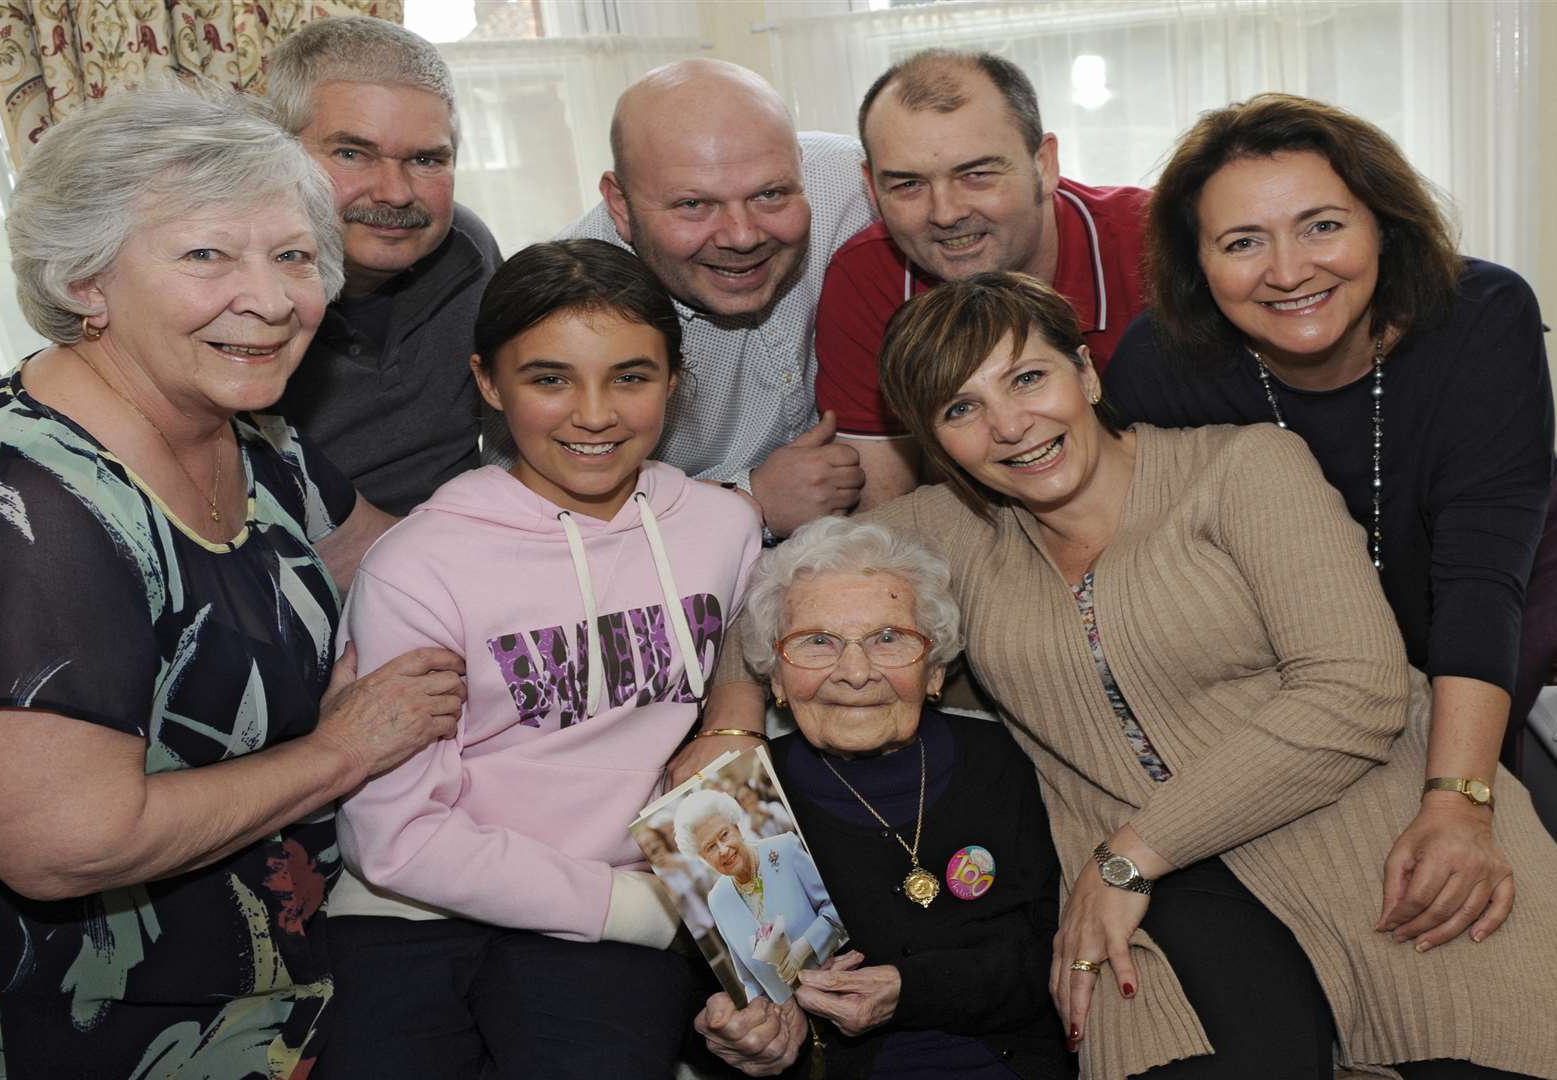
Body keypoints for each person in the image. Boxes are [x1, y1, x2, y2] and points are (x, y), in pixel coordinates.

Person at [705, 274, 1557, 1079]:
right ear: (932, 439)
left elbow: (1356, 689)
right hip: (1160, 912)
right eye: (961, 409)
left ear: (1085, 370)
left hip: (1375, 831)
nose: (1009, 427)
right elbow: (775, 599)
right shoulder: (939, 535)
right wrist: (731, 737)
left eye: (1029, 377)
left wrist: (1130, 855)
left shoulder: (1244, 470)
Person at [0, 86, 463, 1079]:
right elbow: (69, 846)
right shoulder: (11, 514)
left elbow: (402, 559)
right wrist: (342, 752)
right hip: (56, 1016)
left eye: (291, 256)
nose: (274, 299)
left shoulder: (253, 439)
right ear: (84, 282)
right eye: (207, 255)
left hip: (247, 952)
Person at [320, 239, 763, 1079]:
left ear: (675, 381)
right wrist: (632, 908)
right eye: (550, 379)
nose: (593, 414)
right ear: (489, 382)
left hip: (614, 912)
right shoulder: (420, 563)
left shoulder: (722, 530)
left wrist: (735, 720)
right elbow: (395, 835)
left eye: (630, 377)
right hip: (414, 910)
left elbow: (749, 651)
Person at [1104, 94, 1557, 781]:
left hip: (1493, 575)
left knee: (1458, 783)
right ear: (1197, 265)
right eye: (1242, 242)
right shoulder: (1160, 363)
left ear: (1384, 227)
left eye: (1321, 226)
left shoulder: (1484, 316)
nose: (1289, 271)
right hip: (1292, 622)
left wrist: (1456, 801)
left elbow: (1481, 583)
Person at [694, 517, 1071, 1079]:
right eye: (816, 642)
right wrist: (740, 1034)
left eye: (889, 639)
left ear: (935, 667)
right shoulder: (736, 806)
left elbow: (1061, 954)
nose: (855, 672)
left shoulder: (1010, 763)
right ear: (774, 678)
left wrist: (912, 989)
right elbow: (701, 991)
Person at [524, 58, 877, 541]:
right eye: (694, 204)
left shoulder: (854, 183)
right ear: (620, 205)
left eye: (770, 194)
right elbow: (535, 523)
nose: (742, 236)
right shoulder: (557, 309)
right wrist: (747, 499)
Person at [817, 50, 1150, 509]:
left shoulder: (1155, 244)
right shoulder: (866, 277)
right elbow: (884, 513)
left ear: (1044, 164)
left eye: (976, 175)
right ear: (872, 190)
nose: (946, 213)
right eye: (908, 185)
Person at [267, 15, 503, 514]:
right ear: (276, 152)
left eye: (426, 161)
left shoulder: (469, 251)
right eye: (353, 153)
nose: (395, 194)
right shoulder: (233, 296)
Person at [675, 788, 843, 1003]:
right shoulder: (717, 899)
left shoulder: (784, 849)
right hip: (793, 1016)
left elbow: (836, 906)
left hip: (837, 980)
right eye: (710, 847)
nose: (723, 850)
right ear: (703, 859)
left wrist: (806, 946)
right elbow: (749, 980)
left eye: (724, 835)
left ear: (737, 827)